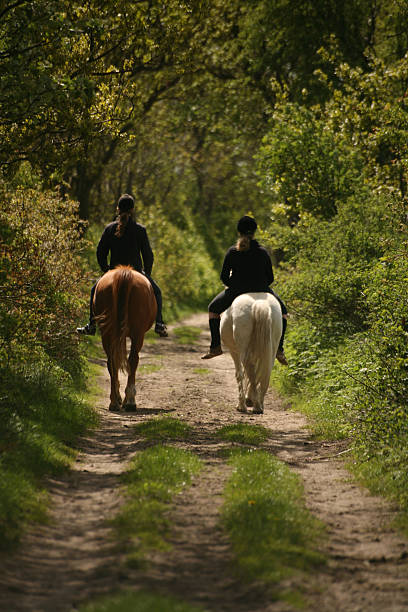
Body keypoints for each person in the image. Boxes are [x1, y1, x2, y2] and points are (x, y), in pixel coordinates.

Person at [77, 193, 168, 337]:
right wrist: (147, 274)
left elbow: (100, 252)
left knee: (94, 289)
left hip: (113, 271)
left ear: (117, 209)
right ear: (132, 210)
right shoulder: (140, 230)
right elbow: (148, 255)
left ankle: (91, 325)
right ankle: (159, 323)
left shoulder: (109, 229)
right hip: (137, 271)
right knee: (157, 292)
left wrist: (106, 270)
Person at [201, 215, 288, 364]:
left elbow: (223, 277)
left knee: (213, 310)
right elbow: (271, 278)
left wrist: (233, 285)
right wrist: (260, 285)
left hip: (236, 290)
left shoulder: (232, 251)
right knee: (284, 313)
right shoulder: (262, 252)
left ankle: (215, 347)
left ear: (238, 232)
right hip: (262, 290)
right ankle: (279, 350)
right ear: (254, 232)